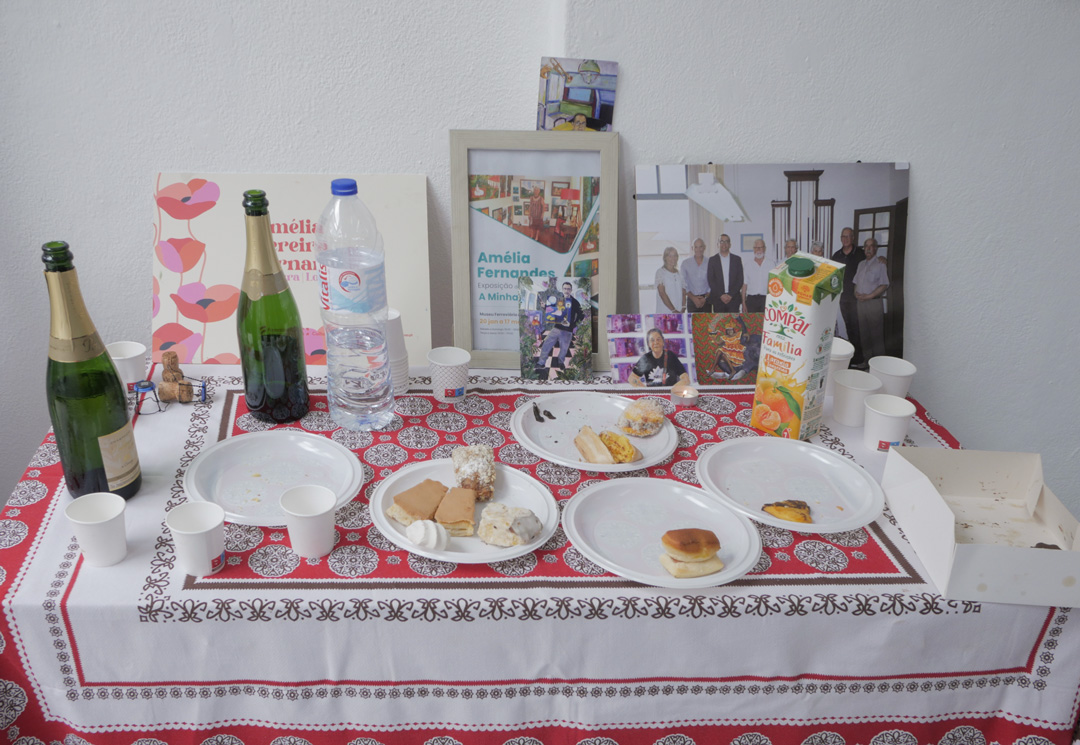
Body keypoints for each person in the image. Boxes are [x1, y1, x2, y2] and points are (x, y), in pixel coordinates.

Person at [831, 227, 866, 367]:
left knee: (859, 328)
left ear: (853, 238)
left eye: (848, 236)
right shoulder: (836, 255)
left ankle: (861, 358)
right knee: (849, 328)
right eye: (843, 236)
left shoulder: (861, 254)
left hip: (858, 298)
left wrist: (882, 259)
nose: (845, 239)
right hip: (843, 297)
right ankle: (854, 358)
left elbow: (872, 262)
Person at [853, 237, 890, 361]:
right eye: (866, 246)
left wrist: (869, 296)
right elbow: (856, 282)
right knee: (864, 334)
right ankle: (866, 361)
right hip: (860, 303)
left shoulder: (880, 264)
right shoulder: (860, 264)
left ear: (875, 248)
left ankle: (879, 364)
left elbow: (884, 284)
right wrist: (856, 294)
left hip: (873, 303)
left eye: (871, 246)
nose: (868, 249)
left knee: (876, 335)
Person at [536, 281, 583, 374]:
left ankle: (560, 362)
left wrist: (573, 325)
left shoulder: (575, 302)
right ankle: (541, 362)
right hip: (557, 328)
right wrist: (544, 307)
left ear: (571, 290)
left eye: (568, 289)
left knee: (564, 348)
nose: (566, 290)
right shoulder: (559, 300)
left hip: (567, 330)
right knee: (546, 344)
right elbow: (552, 310)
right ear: (562, 289)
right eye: (565, 288)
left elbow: (581, 315)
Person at [706, 234, 744, 313]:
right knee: (719, 321)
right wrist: (721, 295)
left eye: (726, 241)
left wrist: (730, 295)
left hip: (733, 299)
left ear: (730, 244)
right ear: (718, 244)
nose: (724, 244)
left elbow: (740, 279)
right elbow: (711, 280)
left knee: (733, 321)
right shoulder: (712, 260)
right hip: (718, 299)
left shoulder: (737, 259)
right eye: (722, 241)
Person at [681, 238, 711, 313]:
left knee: (708, 320)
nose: (698, 250)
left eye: (701, 247)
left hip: (707, 299)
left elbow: (713, 281)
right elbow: (683, 283)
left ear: (704, 247)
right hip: (691, 299)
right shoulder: (685, 263)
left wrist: (705, 298)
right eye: (696, 247)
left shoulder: (710, 262)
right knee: (692, 320)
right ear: (692, 248)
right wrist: (693, 298)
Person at [742, 238, 770, 313]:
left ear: (764, 249)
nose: (758, 250)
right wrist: (743, 303)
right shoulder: (748, 265)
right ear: (753, 249)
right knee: (751, 320)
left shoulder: (771, 264)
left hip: (766, 299)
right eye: (756, 248)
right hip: (751, 300)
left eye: (760, 247)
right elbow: (744, 285)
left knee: (765, 321)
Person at [655, 246, 685, 314]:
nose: (673, 258)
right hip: (665, 311)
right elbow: (662, 293)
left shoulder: (679, 274)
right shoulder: (660, 272)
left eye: (675, 256)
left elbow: (683, 292)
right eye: (670, 256)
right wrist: (673, 310)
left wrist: (683, 307)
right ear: (665, 258)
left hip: (679, 311)